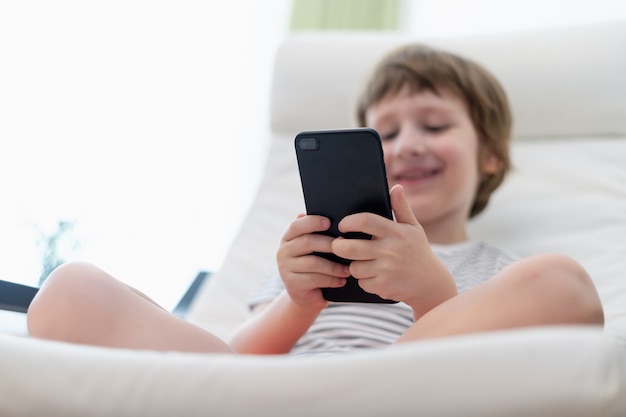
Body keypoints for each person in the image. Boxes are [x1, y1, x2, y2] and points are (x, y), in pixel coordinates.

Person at [26, 44, 604, 355]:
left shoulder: (493, 268)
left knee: (560, 284)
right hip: (279, 394)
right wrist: (302, 302)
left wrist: (430, 289)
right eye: (388, 133)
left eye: (433, 125)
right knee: (71, 289)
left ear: (491, 157)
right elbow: (241, 356)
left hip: (413, 389)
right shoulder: (320, 247)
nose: (408, 146)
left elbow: (501, 360)